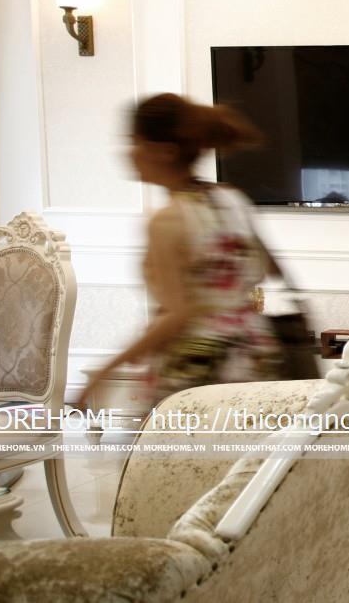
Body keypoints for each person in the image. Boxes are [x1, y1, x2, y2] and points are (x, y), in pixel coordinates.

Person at [79, 94, 286, 410]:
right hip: (255, 357)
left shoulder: (168, 221)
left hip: (199, 367)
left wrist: (105, 372)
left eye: (134, 142)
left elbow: (178, 316)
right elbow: (271, 269)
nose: (128, 152)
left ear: (164, 151)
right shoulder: (232, 199)